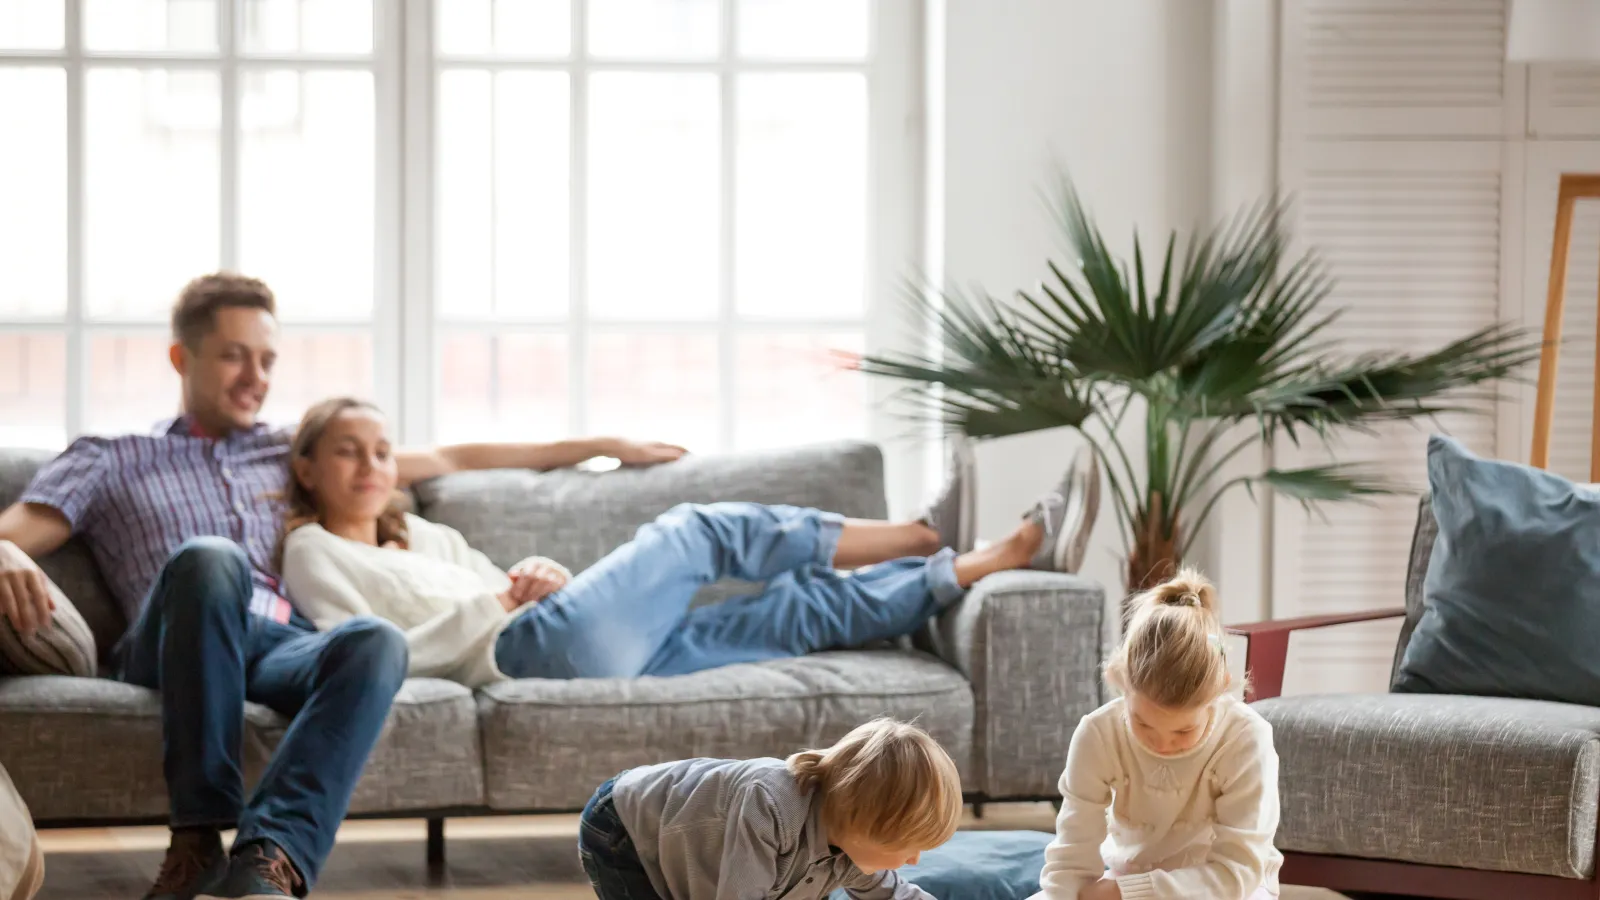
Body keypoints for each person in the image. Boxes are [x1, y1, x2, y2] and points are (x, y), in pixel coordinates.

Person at [0, 273, 686, 900]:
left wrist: (606, 443)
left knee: (372, 640)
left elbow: (455, 457)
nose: (256, 377)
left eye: (267, 360)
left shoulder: (289, 448)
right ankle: (198, 834)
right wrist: (4, 550)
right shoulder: (112, 457)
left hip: (276, 641)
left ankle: (271, 859)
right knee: (212, 559)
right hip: (173, 641)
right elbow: (15, 529)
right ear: (183, 359)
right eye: (235, 356)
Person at [276, 397, 1092, 685]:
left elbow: (505, 578)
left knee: (793, 613)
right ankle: (920, 532)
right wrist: (499, 603)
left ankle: (986, 559)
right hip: (522, 651)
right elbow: (356, 653)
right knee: (698, 530)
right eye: (348, 450)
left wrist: (538, 572)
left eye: (382, 450)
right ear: (307, 468)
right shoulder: (313, 552)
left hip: (565, 638)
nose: (372, 465)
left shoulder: (421, 533)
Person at [1034, 570, 1281, 900]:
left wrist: (1123, 893)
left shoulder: (1247, 740)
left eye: (1184, 730)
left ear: (1221, 688)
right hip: (1128, 876)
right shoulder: (1098, 733)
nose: (1162, 743)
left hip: (1229, 889)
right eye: (1143, 723)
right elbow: (1071, 857)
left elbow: (1237, 873)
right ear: (1120, 679)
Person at [579, 717, 961, 900]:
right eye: (907, 845)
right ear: (862, 825)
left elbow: (896, 897)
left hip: (688, 843)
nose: (914, 860)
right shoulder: (770, 802)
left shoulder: (853, 853)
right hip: (624, 825)